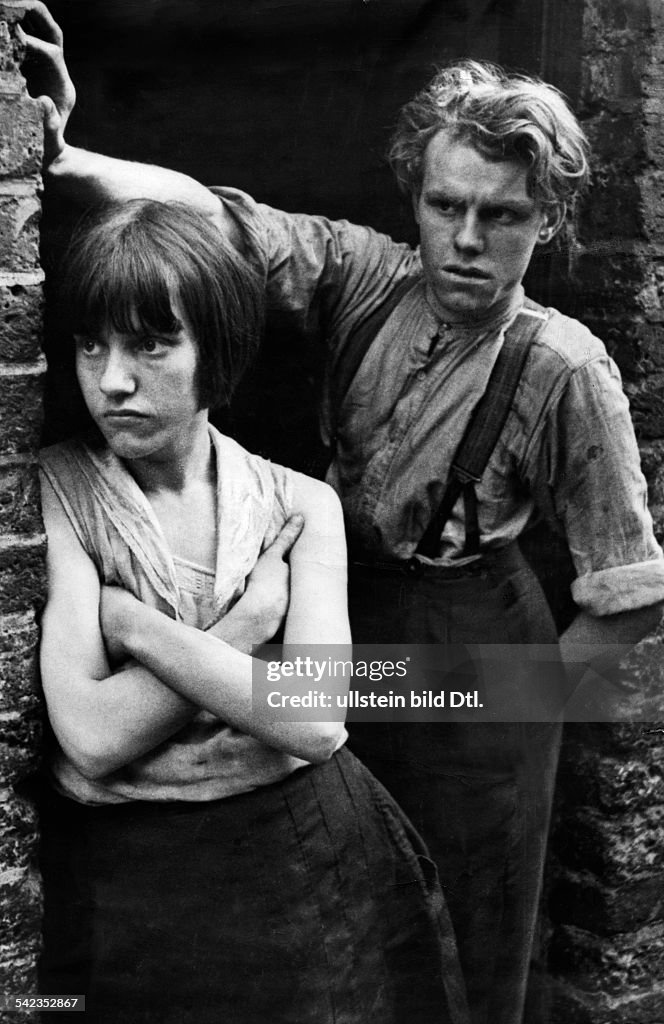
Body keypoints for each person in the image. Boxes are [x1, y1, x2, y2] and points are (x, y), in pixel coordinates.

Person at [16, 3, 664, 1021]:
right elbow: (214, 216)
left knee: (477, 919)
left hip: (469, 635)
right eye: (446, 205)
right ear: (414, 197)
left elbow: (628, 596)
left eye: (501, 216)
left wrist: (508, 711)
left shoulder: (565, 368)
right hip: (343, 603)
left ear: (548, 219)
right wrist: (60, 154)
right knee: (366, 909)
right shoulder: (366, 277)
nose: (465, 239)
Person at [35, 199, 468, 1024]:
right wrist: (240, 627)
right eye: (92, 347)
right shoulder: (60, 491)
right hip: (131, 882)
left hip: (302, 858)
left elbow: (313, 721)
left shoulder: (298, 506)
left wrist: (133, 627)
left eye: (151, 344)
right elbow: (90, 739)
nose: (113, 380)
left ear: (219, 351)